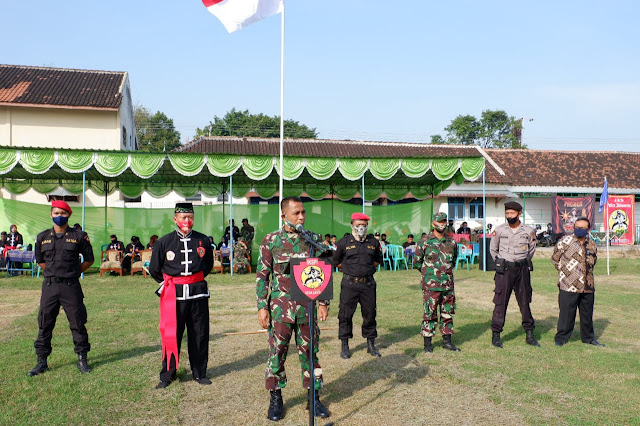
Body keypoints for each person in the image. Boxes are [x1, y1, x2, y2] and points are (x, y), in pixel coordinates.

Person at [256, 196, 330, 421]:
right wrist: (262, 307)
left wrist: (324, 303)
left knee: (310, 354)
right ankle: (276, 398)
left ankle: (313, 398)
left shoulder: (313, 240)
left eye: (303, 212)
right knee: (277, 353)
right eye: (296, 213)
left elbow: (322, 271)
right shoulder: (271, 240)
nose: (301, 217)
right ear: (284, 215)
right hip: (281, 308)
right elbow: (262, 276)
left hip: (307, 306)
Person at [149, 203, 214, 389]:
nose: (187, 221)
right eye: (183, 217)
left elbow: (207, 265)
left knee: (199, 334)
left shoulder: (203, 241)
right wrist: (171, 284)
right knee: (171, 335)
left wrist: (192, 280)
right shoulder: (164, 242)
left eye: (190, 217)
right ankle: (167, 375)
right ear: (175, 219)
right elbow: (155, 269)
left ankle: (199, 372)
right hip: (174, 297)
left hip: (198, 294)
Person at [28, 200, 94, 376]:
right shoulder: (42, 237)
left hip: (70, 286)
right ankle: (41, 361)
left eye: (63, 213)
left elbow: (89, 260)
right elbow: (41, 261)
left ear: (69, 215)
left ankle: (82, 359)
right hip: (50, 286)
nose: (59, 216)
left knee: (77, 322)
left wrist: (73, 272)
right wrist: (54, 272)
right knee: (44, 323)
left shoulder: (79, 236)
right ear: (51, 214)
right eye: (56, 213)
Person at [489, 201, 539, 348]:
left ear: (519, 214)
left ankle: (529, 334)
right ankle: (496, 335)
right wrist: (502, 262)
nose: (509, 216)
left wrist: (521, 261)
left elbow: (531, 249)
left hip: (522, 270)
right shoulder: (499, 230)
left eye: (512, 213)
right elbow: (493, 249)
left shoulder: (529, 231)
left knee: (524, 302)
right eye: (507, 214)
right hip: (504, 270)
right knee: (500, 302)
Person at [333, 213, 383, 359]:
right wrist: (350, 271)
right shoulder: (344, 242)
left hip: (368, 284)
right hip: (349, 284)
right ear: (352, 225)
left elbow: (377, 261)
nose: (361, 228)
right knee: (345, 314)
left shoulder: (373, 242)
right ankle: (345, 346)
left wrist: (364, 272)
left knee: (370, 314)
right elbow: (336, 262)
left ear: (367, 226)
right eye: (358, 225)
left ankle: (371, 345)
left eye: (364, 225)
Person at [551, 217, 604, 347]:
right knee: (567, 313)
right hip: (569, 284)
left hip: (587, 285)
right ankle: (561, 338)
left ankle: (588, 338)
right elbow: (555, 259)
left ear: (588, 229)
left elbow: (593, 261)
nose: (579, 230)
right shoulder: (565, 241)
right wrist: (565, 273)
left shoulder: (592, 243)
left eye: (582, 228)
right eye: (577, 227)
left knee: (587, 313)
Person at [414, 212, 461, 352]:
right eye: (439, 222)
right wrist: (429, 274)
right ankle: (428, 344)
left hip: (447, 285)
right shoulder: (424, 242)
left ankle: (447, 341)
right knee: (429, 314)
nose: (441, 224)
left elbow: (453, 261)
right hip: (431, 285)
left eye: (444, 221)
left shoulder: (451, 242)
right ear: (433, 224)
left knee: (447, 313)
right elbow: (417, 262)